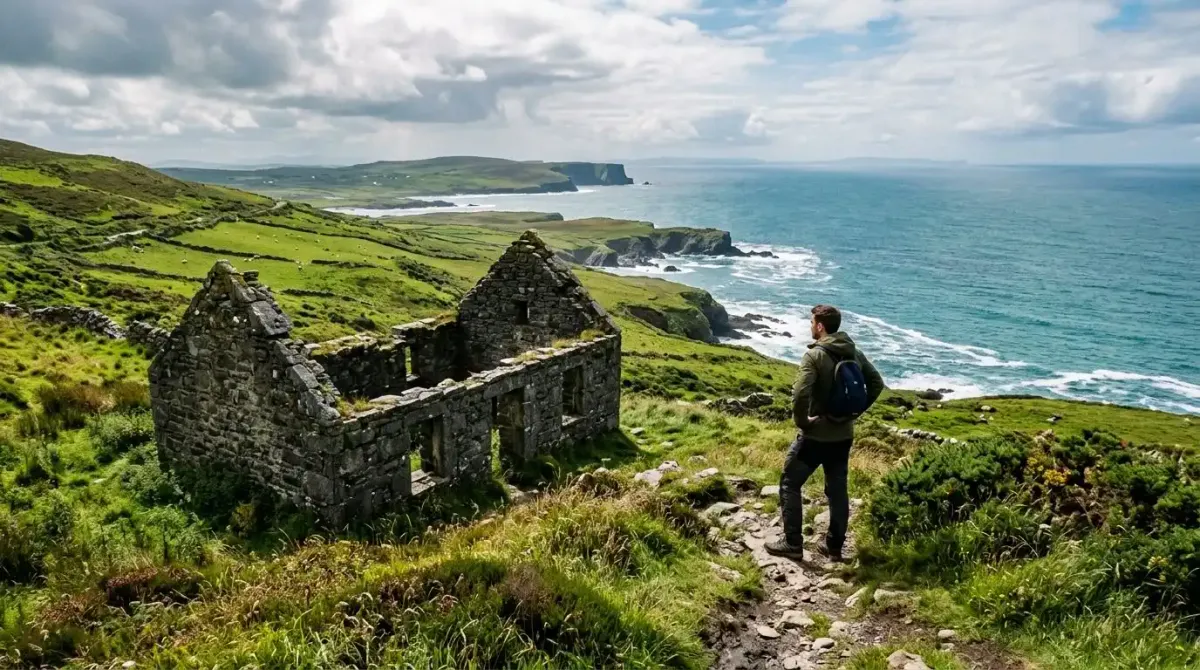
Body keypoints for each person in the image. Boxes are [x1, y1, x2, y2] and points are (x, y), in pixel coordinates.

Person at [766, 304, 884, 561]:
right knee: (838, 490)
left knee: (790, 481)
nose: (810, 326)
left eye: (812, 322)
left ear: (820, 326)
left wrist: (803, 422)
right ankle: (834, 548)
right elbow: (877, 383)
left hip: (816, 435)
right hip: (844, 435)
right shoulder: (854, 352)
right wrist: (854, 413)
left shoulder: (814, 356)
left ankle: (793, 543)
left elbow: (800, 393)